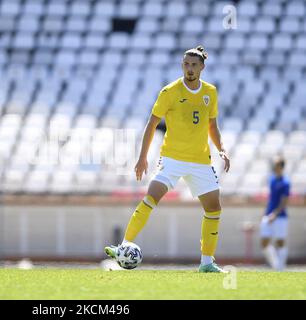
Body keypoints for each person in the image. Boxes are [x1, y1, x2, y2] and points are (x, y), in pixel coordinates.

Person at [104, 46, 230, 273]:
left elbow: (212, 125)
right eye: (186, 64)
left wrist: (221, 149)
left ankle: (206, 262)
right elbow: (151, 124)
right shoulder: (169, 92)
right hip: (172, 158)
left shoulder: (210, 92)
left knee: (214, 207)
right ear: (182, 65)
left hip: (201, 160)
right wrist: (142, 157)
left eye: (194, 65)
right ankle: (122, 245)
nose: (189, 68)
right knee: (152, 195)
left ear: (202, 67)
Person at [260, 156, 290, 271]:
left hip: (280, 217)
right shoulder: (272, 179)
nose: (274, 166)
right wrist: (266, 212)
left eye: (276, 164)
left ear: (281, 167)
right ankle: (276, 266)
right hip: (269, 214)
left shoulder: (285, 182)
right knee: (264, 242)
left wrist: (275, 214)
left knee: (280, 241)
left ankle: (280, 268)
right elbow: (271, 198)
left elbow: (284, 202)